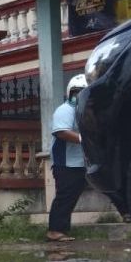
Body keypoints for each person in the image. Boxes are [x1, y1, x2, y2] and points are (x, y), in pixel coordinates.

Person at [47, 74, 89, 242]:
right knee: (65, 195)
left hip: (81, 162)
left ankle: (61, 229)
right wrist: (84, 138)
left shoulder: (86, 112)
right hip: (65, 162)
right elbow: (61, 131)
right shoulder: (66, 109)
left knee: (72, 195)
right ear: (70, 93)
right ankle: (55, 231)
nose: (80, 96)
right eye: (77, 92)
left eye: (84, 92)